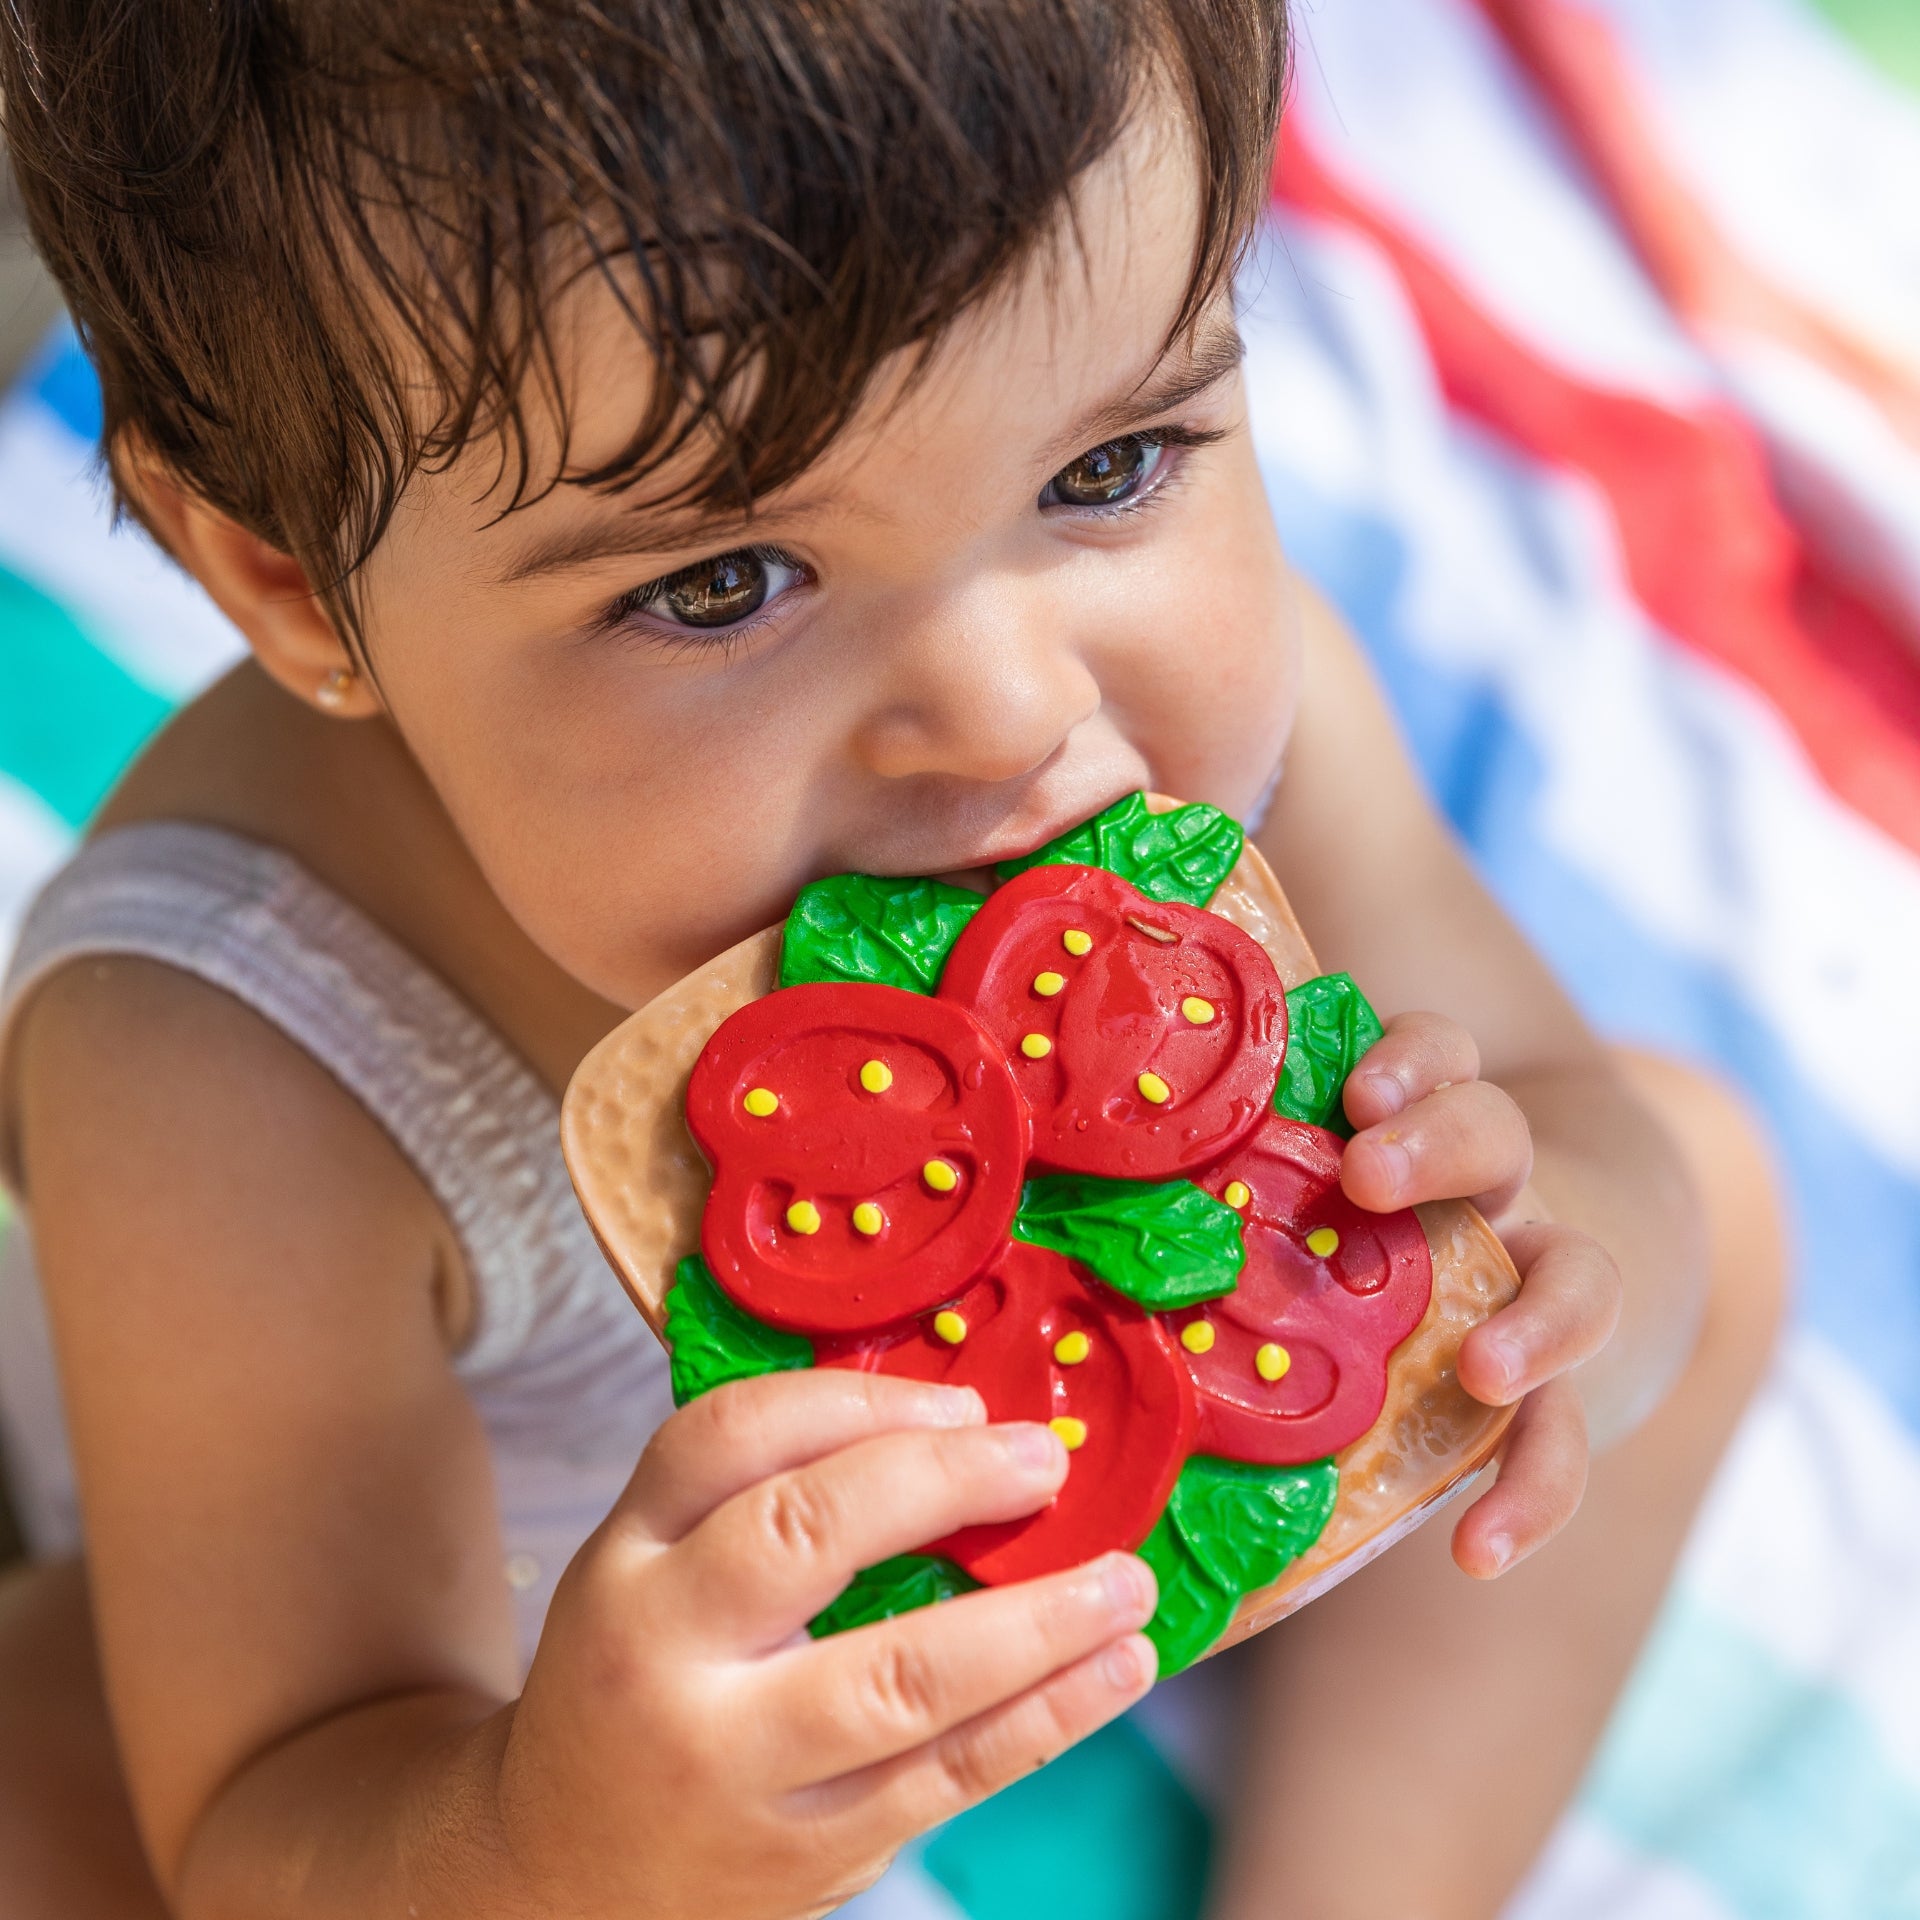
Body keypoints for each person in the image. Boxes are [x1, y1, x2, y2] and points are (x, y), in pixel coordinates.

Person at [0, 3, 1782, 1915]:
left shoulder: (1196, 731)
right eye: (720, 585)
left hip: (1184, 1424)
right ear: (285, 578)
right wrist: (564, 1830)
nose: (1017, 715)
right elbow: (275, 1796)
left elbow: (1550, 1095)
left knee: (1700, 1193)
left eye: (1111, 466)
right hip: (531, 1697)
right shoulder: (225, 1063)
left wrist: (1543, 1284)